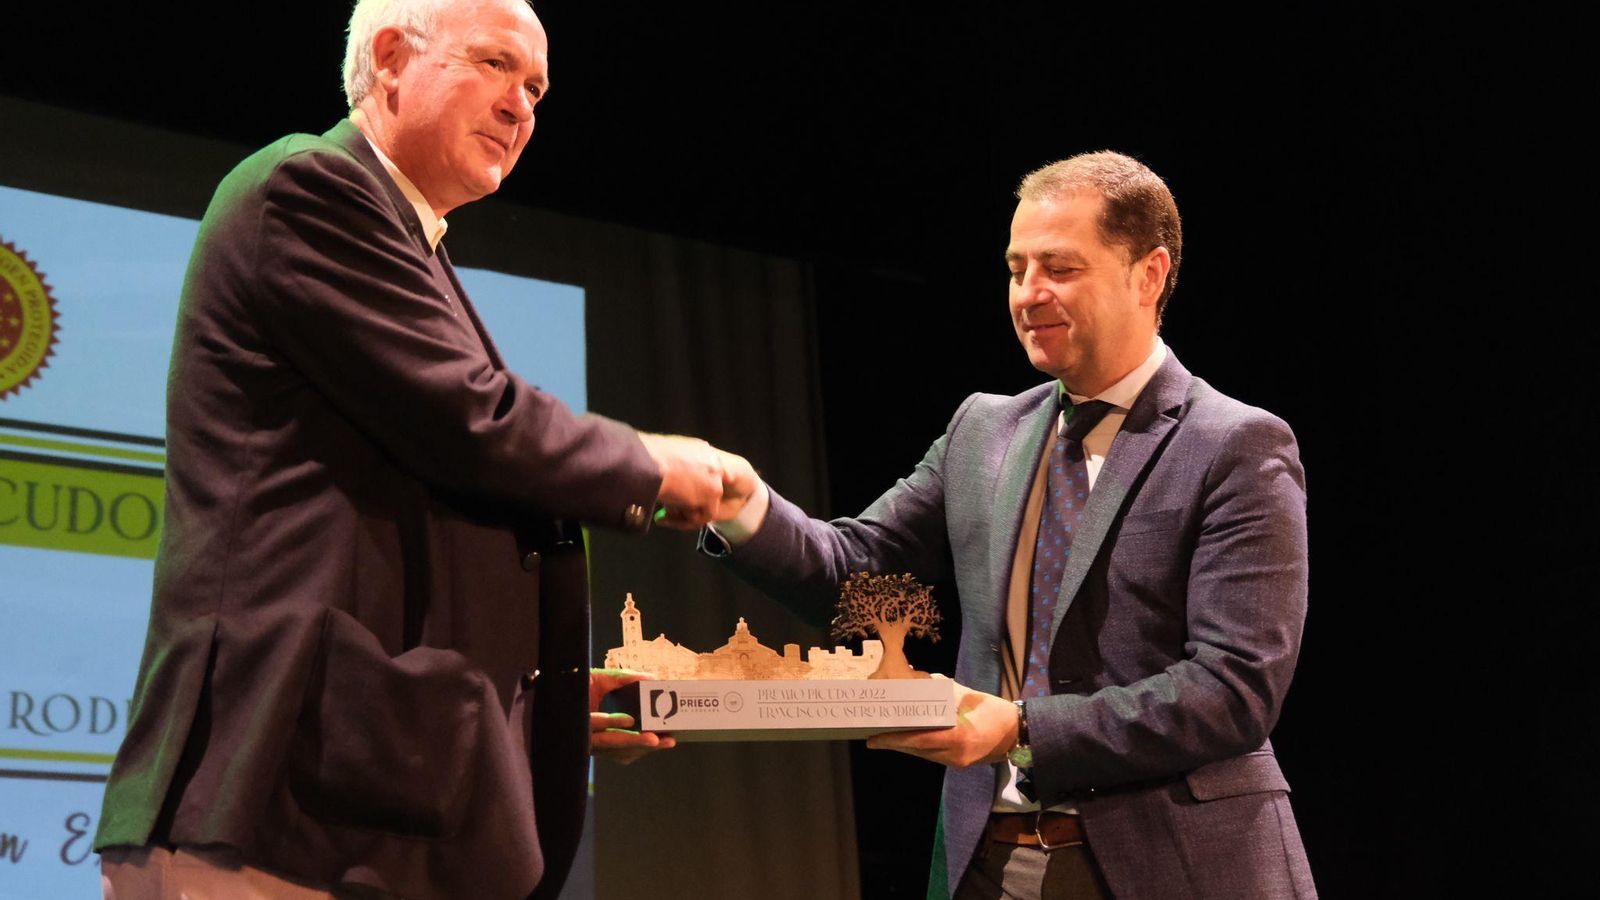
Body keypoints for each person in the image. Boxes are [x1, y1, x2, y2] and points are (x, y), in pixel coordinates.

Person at [94, 1, 745, 897]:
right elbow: (473, 419)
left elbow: (426, 523)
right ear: (393, 56)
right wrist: (652, 465)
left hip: (359, 814)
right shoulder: (308, 188)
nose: (523, 108)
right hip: (272, 808)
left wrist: (543, 701)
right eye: (495, 65)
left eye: (538, 88)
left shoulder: (414, 246)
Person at [704, 151, 1316, 899]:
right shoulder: (982, 433)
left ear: (1149, 275)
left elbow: (1233, 688)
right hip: (987, 864)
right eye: (1016, 268)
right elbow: (855, 575)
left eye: (1060, 268)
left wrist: (1022, 729)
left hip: (1172, 863)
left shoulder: (1236, 446)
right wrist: (739, 508)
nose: (1029, 294)